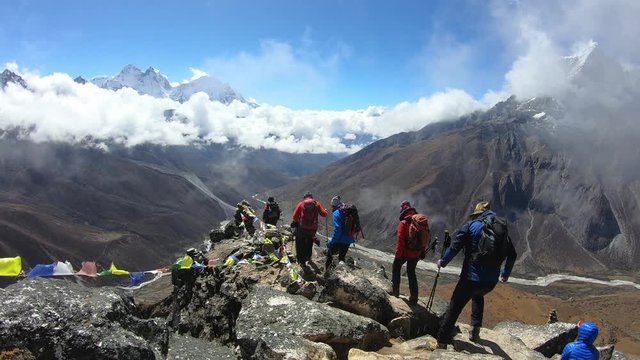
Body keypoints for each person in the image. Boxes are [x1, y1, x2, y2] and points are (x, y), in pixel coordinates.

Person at [435, 201, 517, 346]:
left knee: (454, 307)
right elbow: (512, 254)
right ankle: (475, 331)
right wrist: (505, 274)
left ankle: (441, 341)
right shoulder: (501, 229)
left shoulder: (471, 226)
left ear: (478, 214)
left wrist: (443, 262)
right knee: (478, 295)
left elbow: (455, 247)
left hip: (470, 278)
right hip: (490, 282)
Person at [389, 200, 424, 304]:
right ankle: (414, 297)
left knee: (396, 268)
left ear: (403, 210)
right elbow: (424, 238)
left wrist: (398, 255)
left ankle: (395, 291)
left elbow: (400, 241)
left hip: (405, 252)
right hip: (416, 253)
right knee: (411, 272)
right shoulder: (420, 222)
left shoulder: (403, 223)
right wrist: (421, 251)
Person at [291, 191, 328, 273]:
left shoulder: (301, 204)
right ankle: (308, 257)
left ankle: (302, 261)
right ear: (312, 197)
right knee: (309, 242)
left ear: (304, 198)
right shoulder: (317, 204)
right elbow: (324, 214)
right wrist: (326, 211)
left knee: (300, 244)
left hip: (301, 229)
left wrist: (296, 223)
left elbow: (294, 217)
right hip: (312, 229)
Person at [325, 196, 355, 269]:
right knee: (341, 258)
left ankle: (327, 274)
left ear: (333, 206)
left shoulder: (336, 213)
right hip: (348, 239)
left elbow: (338, 229)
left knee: (329, 256)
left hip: (340, 240)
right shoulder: (346, 210)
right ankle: (342, 275)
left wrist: (331, 242)